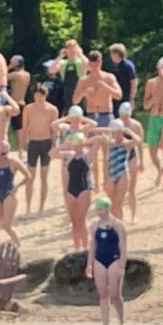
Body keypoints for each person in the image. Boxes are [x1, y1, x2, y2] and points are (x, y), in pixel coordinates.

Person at [18, 81, 59, 217]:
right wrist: (20, 147)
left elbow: (55, 130)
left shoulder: (52, 109)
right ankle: (28, 208)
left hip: (46, 143)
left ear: (45, 96)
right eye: (36, 97)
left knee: (44, 176)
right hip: (33, 143)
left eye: (41, 97)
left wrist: (55, 145)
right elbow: (24, 128)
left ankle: (41, 208)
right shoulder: (29, 109)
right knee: (30, 176)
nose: (39, 99)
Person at [60, 109, 95, 254]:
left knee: (81, 220)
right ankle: (76, 248)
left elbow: (97, 132)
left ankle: (86, 247)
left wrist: (82, 120)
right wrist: (65, 144)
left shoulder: (87, 152)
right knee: (74, 221)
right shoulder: (66, 133)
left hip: (83, 186)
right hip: (70, 180)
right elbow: (53, 152)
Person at [89, 198, 126, 325]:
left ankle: (121, 321)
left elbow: (123, 247)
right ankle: (105, 324)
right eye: (97, 209)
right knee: (103, 294)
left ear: (108, 209)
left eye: (101, 209)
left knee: (115, 294)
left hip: (114, 259)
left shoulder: (118, 225)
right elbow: (92, 246)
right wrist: (89, 264)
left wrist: (122, 266)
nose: (99, 212)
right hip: (99, 260)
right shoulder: (94, 225)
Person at [104, 102, 143, 223]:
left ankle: (133, 214)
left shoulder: (135, 125)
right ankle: (114, 218)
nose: (124, 117)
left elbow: (139, 144)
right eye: (122, 114)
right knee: (113, 197)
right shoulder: (114, 124)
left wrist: (141, 161)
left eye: (126, 114)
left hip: (130, 154)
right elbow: (105, 137)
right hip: (117, 155)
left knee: (132, 188)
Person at [0, 138, 30, 237]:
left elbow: (28, 176)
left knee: (7, 226)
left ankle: (18, 244)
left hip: (9, 195)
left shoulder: (13, 162)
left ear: (8, 152)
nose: (2, 157)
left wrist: (17, 187)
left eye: (4, 154)